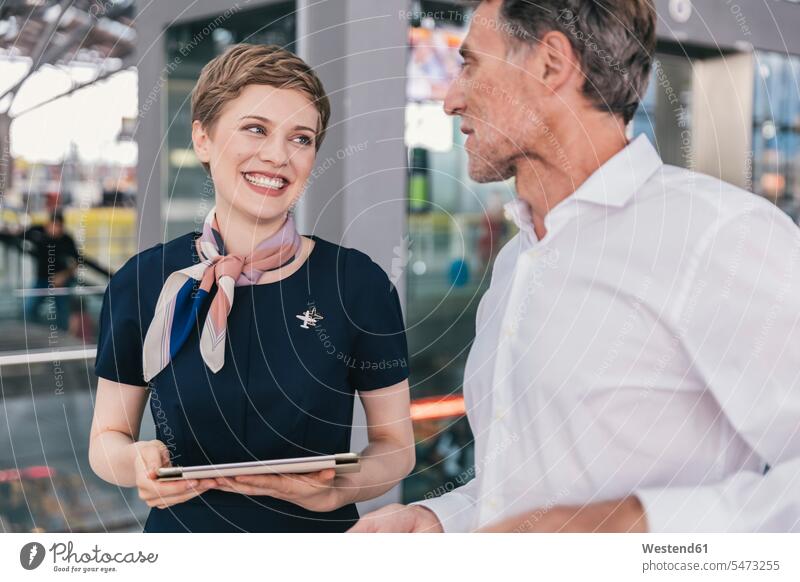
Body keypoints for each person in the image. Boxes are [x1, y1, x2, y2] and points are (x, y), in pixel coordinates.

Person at [351, 0, 800, 533]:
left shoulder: (718, 235)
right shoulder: (519, 260)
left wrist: (629, 529)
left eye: (470, 65)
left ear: (551, 63)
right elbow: (529, 498)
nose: (451, 100)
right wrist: (440, 520)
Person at [88, 44, 415, 532]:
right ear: (202, 138)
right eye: (255, 129)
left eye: (301, 138)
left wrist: (338, 489)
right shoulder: (143, 281)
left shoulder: (357, 283)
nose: (277, 155)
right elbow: (107, 439)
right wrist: (134, 462)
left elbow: (397, 447)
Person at [23, 211, 79, 330]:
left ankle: (62, 336)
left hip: (60, 283)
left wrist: (63, 276)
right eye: (53, 225)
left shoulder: (67, 240)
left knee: (62, 312)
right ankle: (34, 333)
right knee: (29, 308)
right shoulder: (38, 232)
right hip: (42, 279)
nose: (55, 229)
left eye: (59, 226)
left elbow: (77, 261)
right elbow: (21, 233)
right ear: (47, 224)